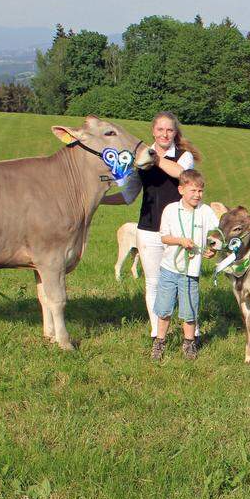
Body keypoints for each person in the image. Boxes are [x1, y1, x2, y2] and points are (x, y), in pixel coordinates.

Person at [101, 111, 202, 342]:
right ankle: (158, 334)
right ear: (153, 132)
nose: (165, 134)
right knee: (153, 283)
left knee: (185, 282)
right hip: (148, 229)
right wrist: (98, 199)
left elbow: (183, 175)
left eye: (169, 130)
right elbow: (128, 195)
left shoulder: (184, 157)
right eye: (160, 130)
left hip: (179, 231)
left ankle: (192, 333)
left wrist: (155, 159)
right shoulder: (141, 161)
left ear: (175, 133)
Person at [153, 169, 220, 359]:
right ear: (181, 189)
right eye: (193, 191)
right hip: (169, 269)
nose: (197, 195)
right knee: (164, 309)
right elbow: (164, 237)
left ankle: (189, 343)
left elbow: (214, 236)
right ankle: (159, 341)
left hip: (191, 272)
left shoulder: (205, 211)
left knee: (190, 310)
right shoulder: (171, 210)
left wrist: (212, 249)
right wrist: (180, 241)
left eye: (200, 191)